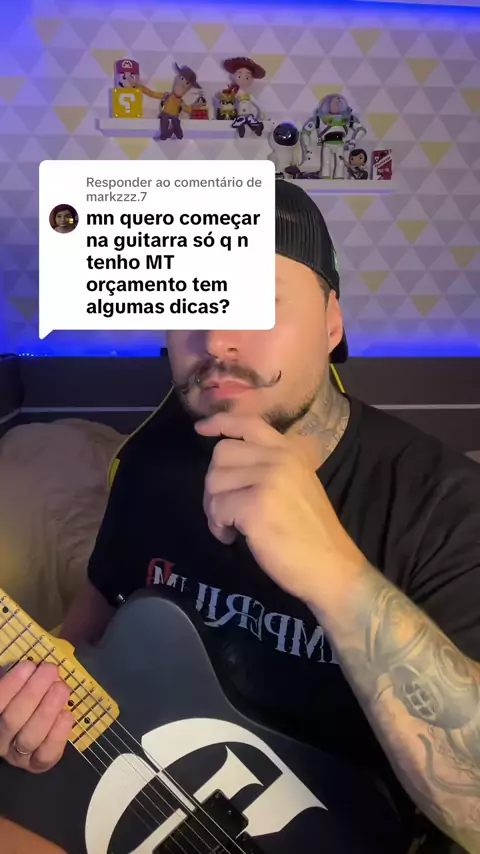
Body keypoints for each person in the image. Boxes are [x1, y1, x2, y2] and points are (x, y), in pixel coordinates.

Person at [1, 181, 479, 853]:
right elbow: (85, 637)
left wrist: (336, 574)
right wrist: (29, 704)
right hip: (157, 807)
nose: (216, 338)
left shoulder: (444, 504)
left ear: (332, 322)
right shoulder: (151, 461)